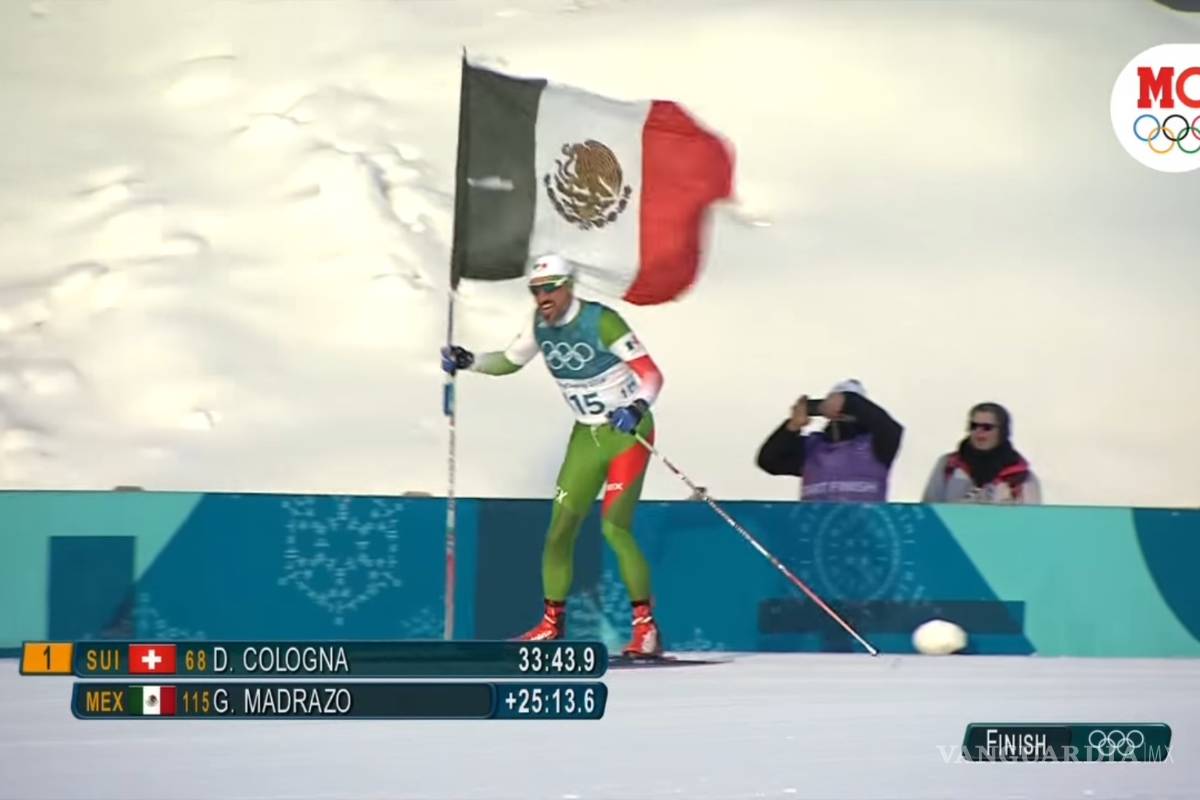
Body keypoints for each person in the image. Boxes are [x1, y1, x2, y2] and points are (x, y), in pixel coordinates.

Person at [440, 254, 665, 657]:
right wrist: (469, 360)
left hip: (625, 434)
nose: (542, 297)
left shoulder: (602, 321)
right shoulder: (539, 327)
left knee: (615, 528)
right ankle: (551, 625)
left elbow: (651, 375)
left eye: (549, 289)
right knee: (559, 530)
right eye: (535, 291)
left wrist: (637, 408)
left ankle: (646, 630)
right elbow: (509, 361)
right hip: (586, 436)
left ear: (568, 286)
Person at [755, 379, 903, 502]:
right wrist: (792, 426)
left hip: (863, 532)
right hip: (817, 532)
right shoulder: (813, 447)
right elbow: (769, 461)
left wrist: (847, 401)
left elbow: (890, 427)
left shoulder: (878, 445)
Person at [922, 402, 1041, 504]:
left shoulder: (1021, 477)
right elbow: (929, 509)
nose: (979, 432)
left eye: (987, 427)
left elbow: (1030, 521)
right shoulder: (948, 466)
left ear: (1003, 431)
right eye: (973, 426)